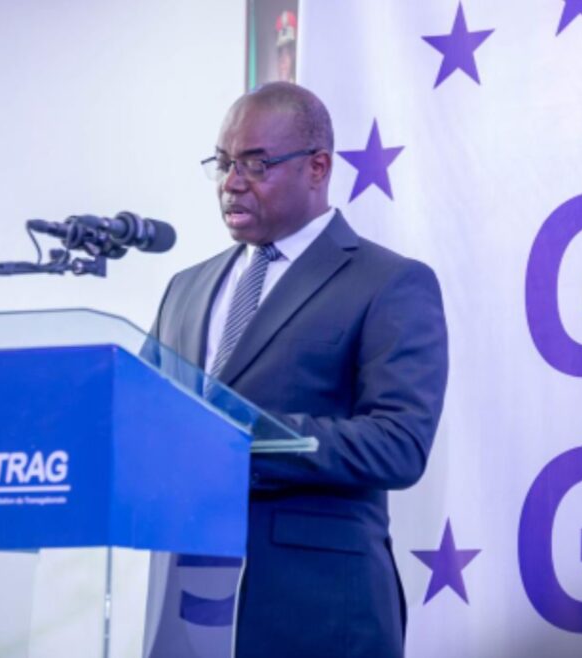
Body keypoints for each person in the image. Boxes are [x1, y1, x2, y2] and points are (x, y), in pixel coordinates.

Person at [149, 82, 448, 658]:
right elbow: (145, 415)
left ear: (317, 168)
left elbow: (399, 444)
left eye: (256, 164)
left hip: (319, 611)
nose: (231, 183)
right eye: (223, 163)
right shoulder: (184, 288)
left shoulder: (389, 282)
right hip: (186, 606)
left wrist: (237, 441)